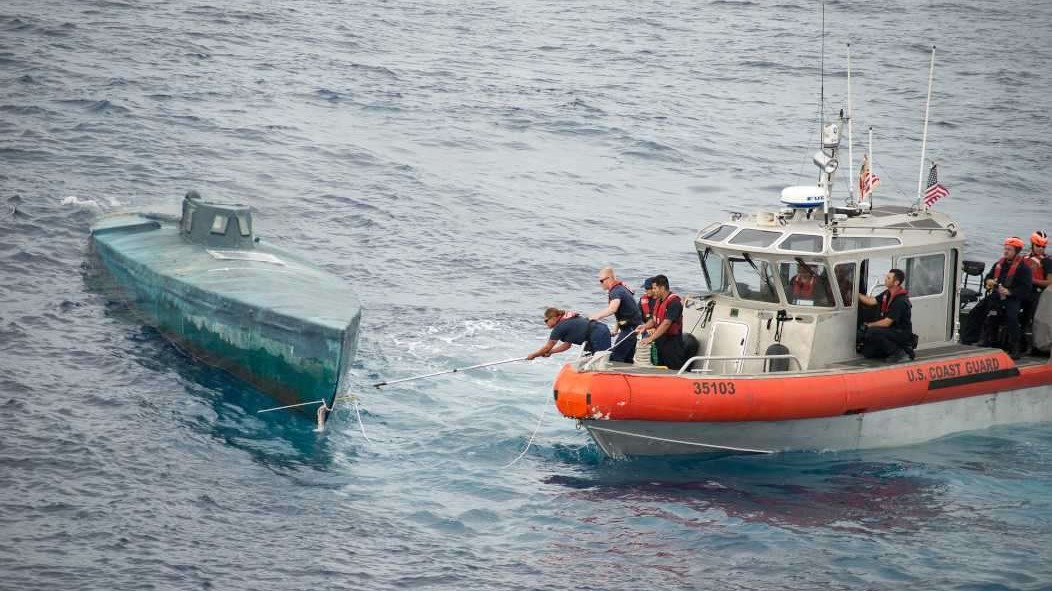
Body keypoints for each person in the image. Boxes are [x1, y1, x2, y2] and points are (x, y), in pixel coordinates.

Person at [960, 236, 1033, 357]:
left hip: (1012, 298)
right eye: (1005, 249)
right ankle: (969, 340)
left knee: (1012, 318)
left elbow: (1026, 289)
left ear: (1016, 252)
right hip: (996, 296)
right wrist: (988, 282)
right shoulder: (998, 264)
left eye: (1009, 250)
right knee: (976, 311)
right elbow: (988, 277)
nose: (1006, 252)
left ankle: (1015, 347)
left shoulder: (1024, 269)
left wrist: (1009, 292)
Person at [857, 268, 914, 362]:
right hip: (891, 331)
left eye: (888, 278)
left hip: (901, 333)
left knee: (872, 332)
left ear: (896, 282)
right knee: (867, 352)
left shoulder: (900, 300)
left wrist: (869, 325)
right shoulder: (887, 294)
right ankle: (887, 351)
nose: (885, 279)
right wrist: (856, 294)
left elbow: (887, 322)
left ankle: (900, 353)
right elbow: (871, 301)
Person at [589, 267, 643, 363]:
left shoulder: (616, 291)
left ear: (609, 278)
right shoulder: (620, 288)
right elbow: (623, 311)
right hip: (632, 329)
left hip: (629, 330)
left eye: (601, 281)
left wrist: (595, 316)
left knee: (615, 358)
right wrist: (616, 329)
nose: (600, 284)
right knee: (626, 359)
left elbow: (613, 308)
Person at [637, 275, 687, 369]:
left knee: (672, 367)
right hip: (660, 341)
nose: (653, 290)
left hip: (672, 343)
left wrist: (650, 338)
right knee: (659, 365)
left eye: (655, 288)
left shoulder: (674, 302)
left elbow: (666, 323)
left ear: (663, 288)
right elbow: (654, 319)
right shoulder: (658, 301)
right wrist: (644, 327)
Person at [527, 307, 611, 360]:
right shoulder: (565, 321)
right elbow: (566, 345)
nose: (546, 323)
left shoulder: (559, 327)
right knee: (600, 359)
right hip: (600, 330)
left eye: (546, 320)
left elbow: (547, 347)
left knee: (601, 361)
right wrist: (551, 352)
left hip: (598, 333)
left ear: (553, 318)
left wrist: (534, 355)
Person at [634, 277, 657, 365]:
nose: (646, 291)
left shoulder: (661, 301)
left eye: (648, 289)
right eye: (645, 288)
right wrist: (645, 326)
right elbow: (637, 317)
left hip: (658, 331)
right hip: (646, 330)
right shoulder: (643, 300)